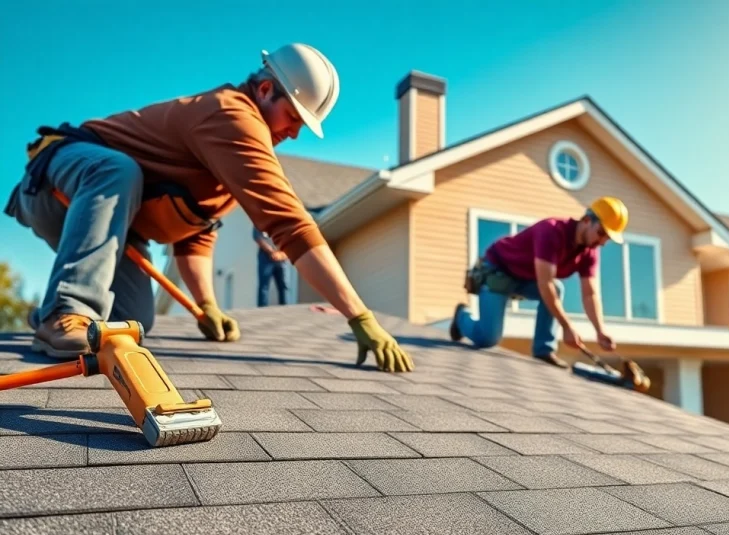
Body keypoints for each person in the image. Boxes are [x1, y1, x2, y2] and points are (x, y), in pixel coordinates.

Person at [4, 43, 414, 372]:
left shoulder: (225, 165)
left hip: (113, 226)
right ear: (266, 90)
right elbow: (290, 225)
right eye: (292, 117)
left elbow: (194, 238)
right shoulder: (231, 116)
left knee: (131, 324)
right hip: (59, 177)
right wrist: (360, 316)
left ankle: (47, 318)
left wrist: (207, 306)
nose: (293, 132)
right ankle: (65, 310)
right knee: (120, 170)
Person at [450, 197, 627, 368]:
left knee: (557, 289)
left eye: (608, 238)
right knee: (487, 339)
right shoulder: (552, 231)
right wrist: (566, 326)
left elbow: (590, 294)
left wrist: (600, 330)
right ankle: (461, 316)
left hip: (526, 279)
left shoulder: (589, 252)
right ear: (587, 220)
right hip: (499, 271)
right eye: (602, 233)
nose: (603, 242)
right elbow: (545, 284)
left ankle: (544, 350)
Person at [253, 226, 289, 306]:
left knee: (283, 286)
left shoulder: (283, 221)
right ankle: (262, 309)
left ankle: (285, 307)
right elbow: (258, 237)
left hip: (281, 257)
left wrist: (281, 253)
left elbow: (288, 237)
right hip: (266, 257)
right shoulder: (260, 220)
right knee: (264, 286)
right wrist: (272, 252)